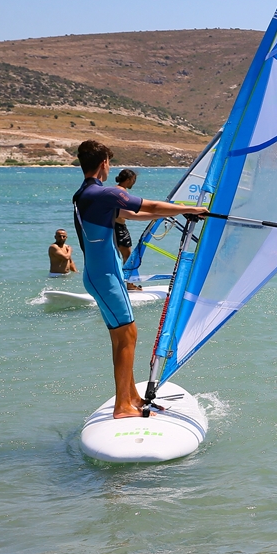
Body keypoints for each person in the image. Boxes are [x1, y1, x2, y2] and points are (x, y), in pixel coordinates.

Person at [73, 140, 207, 419]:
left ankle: (130, 396)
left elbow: (134, 214)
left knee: (123, 336)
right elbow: (152, 205)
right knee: (128, 336)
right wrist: (185, 209)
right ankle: (122, 406)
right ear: (104, 164)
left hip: (102, 275)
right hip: (105, 276)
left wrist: (182, 212)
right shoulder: (104, 193)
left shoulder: (86, 195)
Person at [114, 168, 138, 266]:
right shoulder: (121, 192)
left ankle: (124, 279)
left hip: (115, 226)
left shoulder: (115, 190)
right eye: (133, 180)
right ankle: (128, 281)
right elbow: (127, 212)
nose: (134, 183)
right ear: (128, 180)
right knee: (127, 257)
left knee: (118, 256)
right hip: (119, 228)